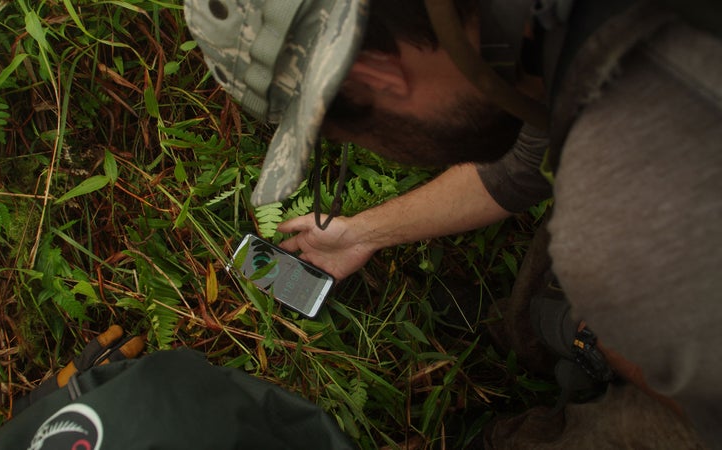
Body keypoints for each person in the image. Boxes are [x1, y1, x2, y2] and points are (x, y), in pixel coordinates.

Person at [184, 0, 721, 447]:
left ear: (377, 75)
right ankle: (532, 324)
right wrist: (363, 232)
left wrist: (598, 335)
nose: (371, 147)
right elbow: (522, 162)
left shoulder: (624, 225)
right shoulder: (545, 34)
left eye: (348, 138)